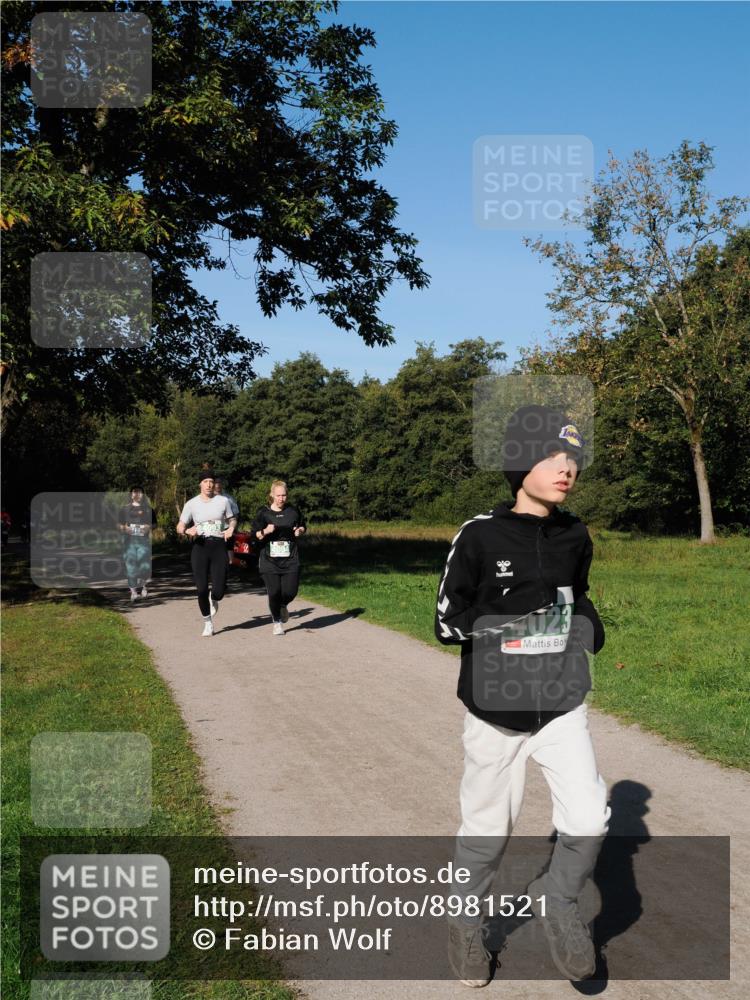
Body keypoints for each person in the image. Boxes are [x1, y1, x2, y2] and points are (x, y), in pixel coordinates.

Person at [435, 404, 609, 987]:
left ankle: (558, 901)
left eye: (573, 458)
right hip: (495, 712)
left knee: (590, 817)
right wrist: (508, 617)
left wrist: (588, 622)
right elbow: (446, 623)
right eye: (552, 456)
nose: (567, 468)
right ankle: (465, 924)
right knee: (487, 832)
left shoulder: (575, 535)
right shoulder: (479, 535)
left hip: (561, 704)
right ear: (518, 464)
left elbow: (577, 594)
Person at [176, 467, 237, 636]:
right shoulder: (191, 504)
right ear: (200, 484)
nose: (209, 485)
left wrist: (231, 528)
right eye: (205, 482)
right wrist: (186, 531)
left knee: (219, 590)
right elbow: (180, 526)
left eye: (211, 481)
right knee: (201, 588)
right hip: (200, 547)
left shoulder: (223, 501)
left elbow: (232, 519)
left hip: (219, 546)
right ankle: (207, 622)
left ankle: (214, 598)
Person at [251, 480, 306, 635]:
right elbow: (254, 535)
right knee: (274, 592)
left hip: (291, 559)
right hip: (269, 560)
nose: (281, 498)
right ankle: (277, 622)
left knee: (290, 592)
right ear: (272, 495)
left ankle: (282, 605)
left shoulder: (293, 511)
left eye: (284, 495)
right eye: (278, 495)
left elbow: (303, 525)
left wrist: (300, 530)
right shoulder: (264, 513)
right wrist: (265, 531)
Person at [118, 486, 154, 601]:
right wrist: (125, 528)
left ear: (143, 495)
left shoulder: (148, 509)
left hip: (143, 541)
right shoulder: (124, 509)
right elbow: (119, 524)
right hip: (129, 541)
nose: (137, 494)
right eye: (135, 492)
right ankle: (133, 592)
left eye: (140, 492)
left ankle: (144, 587)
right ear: (131, 494)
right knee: (131, 567)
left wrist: (148, 527)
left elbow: (154, 524)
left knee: (145, 566)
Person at [213, 476, 240, 565]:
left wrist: (232, 527)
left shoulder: (229, 498)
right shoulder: (208, 498)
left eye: (219, 483)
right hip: (213, 528)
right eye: (216, 483)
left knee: (229, 548)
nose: (218, 485)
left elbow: (235, 513)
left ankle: (230, 564)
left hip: (227, 527)